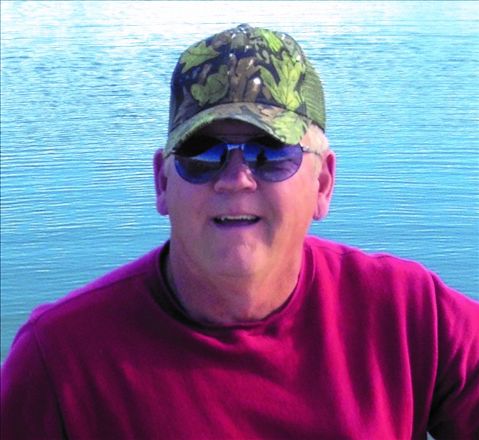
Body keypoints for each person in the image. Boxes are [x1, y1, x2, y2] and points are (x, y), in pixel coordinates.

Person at [1, 24, 478, 440]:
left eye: (270, 153)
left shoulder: (413, 315)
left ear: (322, 184)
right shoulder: (58, 360)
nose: (235, 179)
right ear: (162, 183)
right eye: (202, 153)